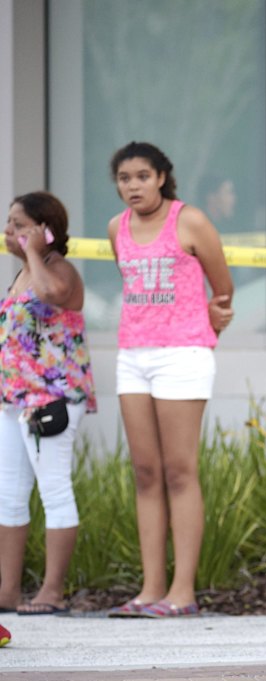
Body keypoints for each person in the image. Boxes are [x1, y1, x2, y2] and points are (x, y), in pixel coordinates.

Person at [107, 141, 234, 619]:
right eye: (124, 178)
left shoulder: (190, 220)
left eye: (142, 175)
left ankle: (182, 593)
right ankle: (150, 589)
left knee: (180, 471)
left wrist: (207, 326)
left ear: (161, 176)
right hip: (132, 355)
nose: (133, 185)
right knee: (145, 472)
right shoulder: (116, 227)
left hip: (183, 356)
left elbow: (223, 288)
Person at [0, 191, 97, 615]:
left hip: (51, 400)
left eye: (20, 224)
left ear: (45, 230)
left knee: (54, 490)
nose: (10, 231)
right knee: (8, 495)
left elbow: (53, 295)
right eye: (9, 223)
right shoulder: (22, 273)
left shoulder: (59, 271)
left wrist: (35, 253)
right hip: (13, 400)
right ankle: (7, 590)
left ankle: (52, 590)